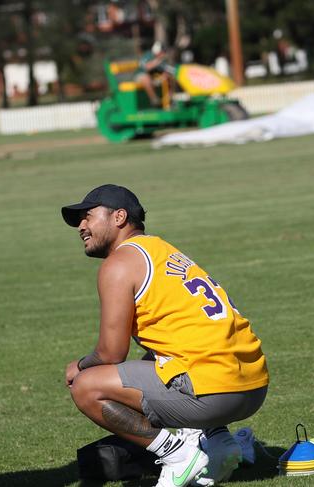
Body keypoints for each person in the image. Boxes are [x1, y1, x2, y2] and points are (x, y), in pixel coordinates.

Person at [61, 184, 268, 487]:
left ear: (119, 217)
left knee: (87, 386)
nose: (81, 226)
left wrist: (79, 366)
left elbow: (110, 354)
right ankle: (219, 441)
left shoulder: (119, 263)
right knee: (156, 359)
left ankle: (177, 455)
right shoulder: (164, 251)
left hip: (216, 393)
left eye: (88, 216)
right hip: (253, 387)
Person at [134, 41, 174, 108]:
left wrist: (166, 75)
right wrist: (156, 62)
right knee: (145, 77)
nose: (164, 53)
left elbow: (166, 69)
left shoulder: (161, 59)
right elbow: (145, 67)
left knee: (169, 76)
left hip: (153, 77)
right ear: (157, 51)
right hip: (140, 77)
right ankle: (154, 99)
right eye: (162, 51)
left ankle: (169, 99)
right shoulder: (148, 56)